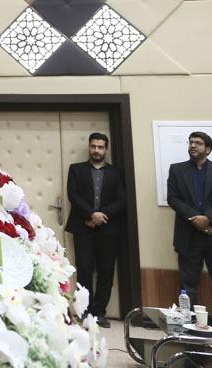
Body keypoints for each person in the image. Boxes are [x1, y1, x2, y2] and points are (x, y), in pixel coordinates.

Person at [167, 131, 212, 318]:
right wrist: (196, 219)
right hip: (188, 237)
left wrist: (207, 218)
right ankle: (189, 327)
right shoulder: (176, 170)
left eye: (198, 143)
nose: (192, 145)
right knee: (187, 288)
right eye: (190, 142)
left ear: (208, 149)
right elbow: (173, 199)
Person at [65, 132, 126, 327]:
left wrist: (101, 216)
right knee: (84, 270)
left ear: (106, 149)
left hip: (109, 229)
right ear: (89, 147)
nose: (96, 150)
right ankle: (84, 312)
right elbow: (73, 195)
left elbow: (122, 200)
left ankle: (99, 313)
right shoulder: (76, 169)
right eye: (93, 146)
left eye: (100, 147)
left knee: (106, 272)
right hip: (83, 227)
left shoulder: (116, 173)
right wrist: (91, 214)